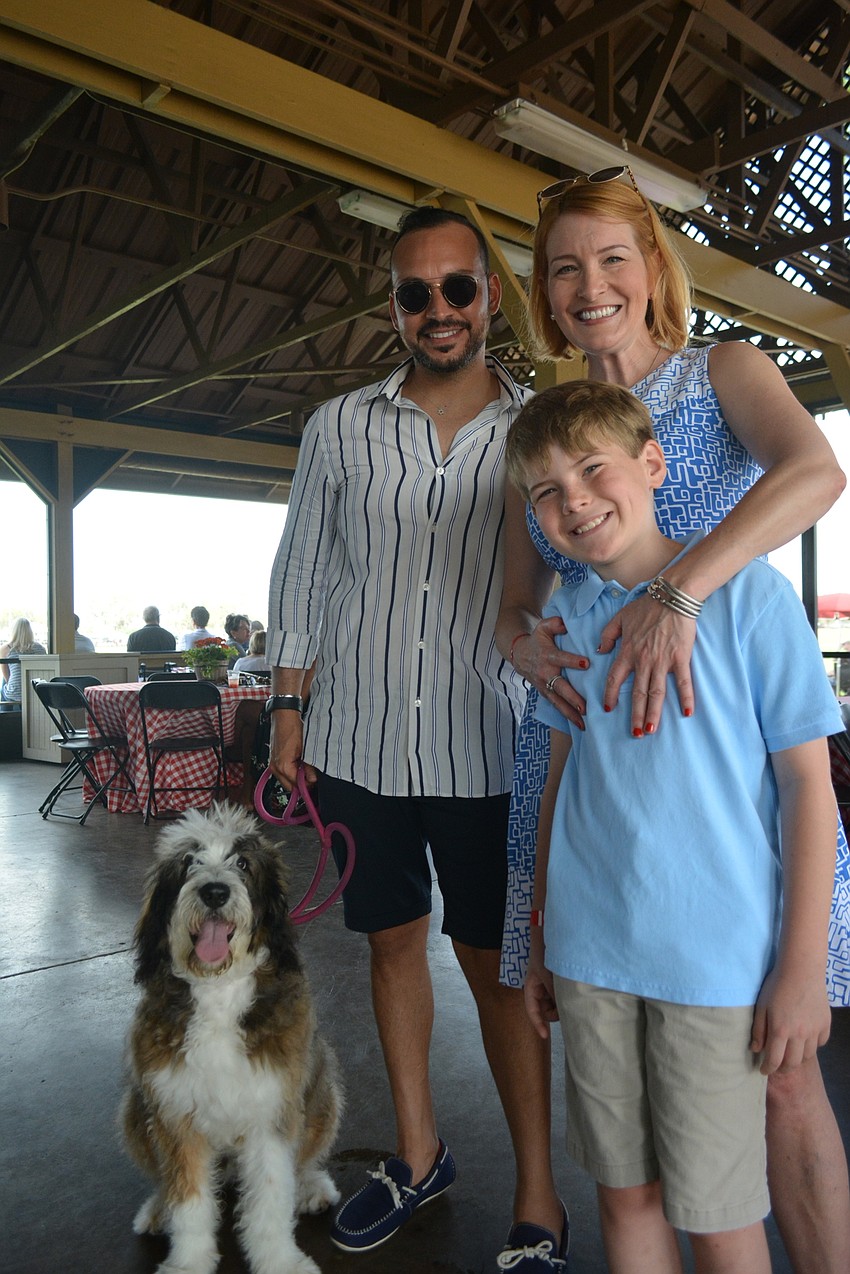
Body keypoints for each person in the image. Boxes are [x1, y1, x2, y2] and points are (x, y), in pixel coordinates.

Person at [496, 166, 850, 1272]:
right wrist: (516, 634)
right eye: (564, 269)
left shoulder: (722, 368)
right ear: (546, 296)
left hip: (727, 731)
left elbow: (814, 469)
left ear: (653, 266)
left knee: (776, 1061)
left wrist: (677, 590)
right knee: (622, 1109)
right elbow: (519, 589)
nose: (589, 284)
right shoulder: (545, 428)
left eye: (611, 257)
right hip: (600, 744)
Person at [266, 207, 566, 1268]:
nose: (436, 309)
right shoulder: (338, 427)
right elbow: (301, 570)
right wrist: (287, 707)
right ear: (391, 305)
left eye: (455, 288)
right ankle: (419, 1150)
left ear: (489, 295)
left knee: (493, 965)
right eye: (413, 292)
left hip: (487, 740)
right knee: (393, 941)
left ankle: (539, 1195)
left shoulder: (538, 428)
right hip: (355, 738)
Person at [0, 618, 46, 702]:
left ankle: (5, 713)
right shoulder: (40, 648)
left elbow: (6, 676)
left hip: (14, 694)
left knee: (5, 683)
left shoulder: (6, 648)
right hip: (35, 691)